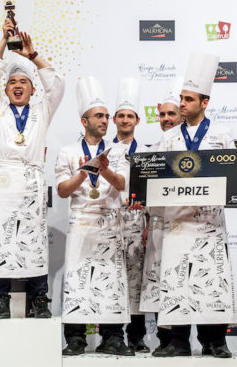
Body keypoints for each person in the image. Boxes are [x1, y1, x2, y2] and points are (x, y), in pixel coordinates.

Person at [0, 22, 64, 319]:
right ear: (5, 89)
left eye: (24, 82)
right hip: (3, 181)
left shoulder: (43, 110)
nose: (17, 85)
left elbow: (57, 84)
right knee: (2, 238)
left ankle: (38, 299)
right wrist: (3, 40)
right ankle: (0, 299)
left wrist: (34, 56)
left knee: (34, 240)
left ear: (32, 88)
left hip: (31, 181)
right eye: (12, 82)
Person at [153, 52, 235, 358]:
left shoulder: (222, 135)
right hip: (177, 222)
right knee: (176, 278)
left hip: (210, 224)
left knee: (211, 279)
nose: (182, 104)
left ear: (205, 103)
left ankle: (216, 340)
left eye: (189, 99)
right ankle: (178, 341)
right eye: (181, 98)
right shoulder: (169, 139)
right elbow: (157, 178)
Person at [56, 76, 133, 356]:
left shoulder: (120, 151)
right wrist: (84, 172)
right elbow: (63, 190)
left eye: (106, 116)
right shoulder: (67, 151)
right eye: (98, 116)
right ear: (84, 121)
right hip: (81, 221)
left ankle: (113, 337)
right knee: (77, 279)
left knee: (111, 280)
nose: (105, 120)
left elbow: (123, 183)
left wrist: (104, 170)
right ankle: (75, 338)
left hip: (110, 220)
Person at [139, 81, 182, 354]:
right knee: (162, 284)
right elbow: (143, 196)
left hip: (189, 226)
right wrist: (145, 224)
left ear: (181, 115)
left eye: (171, 114)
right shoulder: (151, 151)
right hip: (158, 227)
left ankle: (213, 340)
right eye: (163, 115)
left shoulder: (198, 145)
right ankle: (168, 343)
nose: (166, 120)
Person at [112, 78, 149, 352]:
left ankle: (136, 338)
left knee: (136, 281)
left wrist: (147, 215)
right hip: (110, 222)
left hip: (137, 221)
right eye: (121, 116)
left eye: (130, 116)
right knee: (111, 278)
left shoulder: (147, 154)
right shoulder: (103, 151)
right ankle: (111, 336)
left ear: (137, 120)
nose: (125, 120)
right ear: (114, 119)